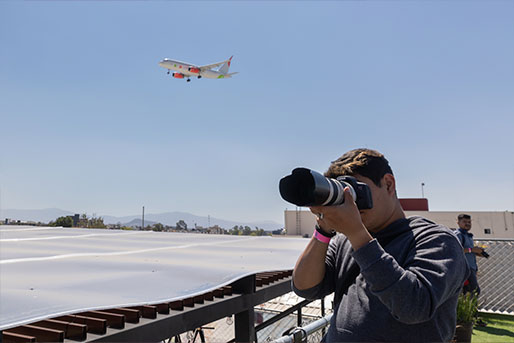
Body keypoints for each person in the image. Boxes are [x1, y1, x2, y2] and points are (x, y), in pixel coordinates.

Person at [292, 148, 469, 342]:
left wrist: (357, 233)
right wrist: (323, 230)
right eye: (343, 195)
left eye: (354, 190)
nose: (351, 202)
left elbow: (414, 307)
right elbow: (305, 288)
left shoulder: (436, 239)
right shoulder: (345, 241)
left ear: (388, 184)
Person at [454, 214, 485, 295]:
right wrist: (472, 249)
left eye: (469, 222)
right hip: (464, 268)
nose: (467, 224)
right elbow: (456, 250)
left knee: (467, 291)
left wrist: (477, 252)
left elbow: (468, 251)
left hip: (472, 267)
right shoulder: (458, 235)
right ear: (458, 222)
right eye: (464, 222)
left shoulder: (468, 236)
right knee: (474, 291)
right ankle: (470, 307)